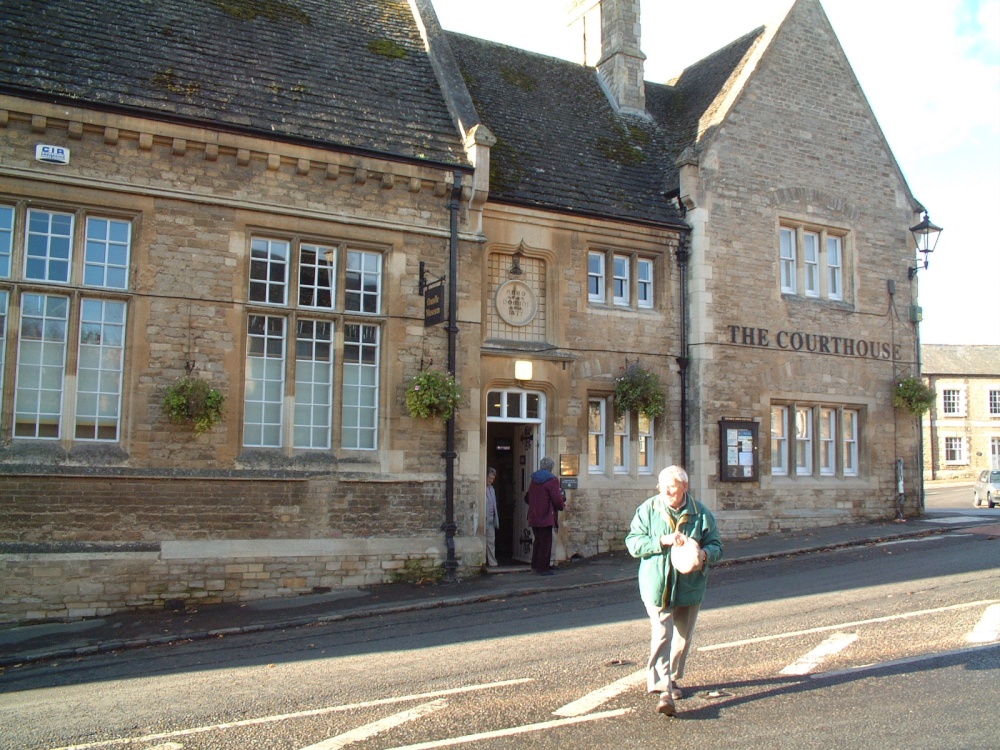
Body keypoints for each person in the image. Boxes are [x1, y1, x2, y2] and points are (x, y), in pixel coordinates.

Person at [625, 465, 723, 716]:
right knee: (662, 634)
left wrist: (703, 554)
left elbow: (717, 546)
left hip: (690, 586)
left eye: (673, 487)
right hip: (656, 585)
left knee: (682, 637)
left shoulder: (701, 514)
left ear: (685, 487)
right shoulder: (648, 510)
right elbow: (633, 543)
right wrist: (661, 541)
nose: (667, 491)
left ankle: (673, 678)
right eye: (663, 487)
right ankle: (663, 689)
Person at [525, 456, 566, 575]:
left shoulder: (534, 479)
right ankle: (543, 568)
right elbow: (556, 499)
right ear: (551, 467)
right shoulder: (552, 480)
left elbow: (527, 497)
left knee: (538, 541)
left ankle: (535, 566)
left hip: (534, 515)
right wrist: (561, 504)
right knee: (546, 542)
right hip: (546, 515)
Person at [484, 467, 499, 567]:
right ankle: (483, 562)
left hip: (491, 518)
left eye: (493, 479)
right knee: (483, 541)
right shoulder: (482, 488)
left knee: (491, 541)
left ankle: (492, 563)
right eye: (489, 478)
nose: (491, 480)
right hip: (484, 518)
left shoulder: (492, 489)